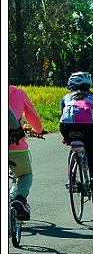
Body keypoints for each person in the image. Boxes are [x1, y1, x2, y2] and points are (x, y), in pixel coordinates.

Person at [59, 72, 93, 196]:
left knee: (73, 147)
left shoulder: (66, 97)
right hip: (87, 127)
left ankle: (71, 180)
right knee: (91, 153)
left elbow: (63, 115)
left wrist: (65, 137)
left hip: (66, 127)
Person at [9, 86, 45, 220]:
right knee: (25, 174)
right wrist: (39, 130)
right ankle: (20, 197)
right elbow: (32, 116)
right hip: (16, 147)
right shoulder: (19, 93)